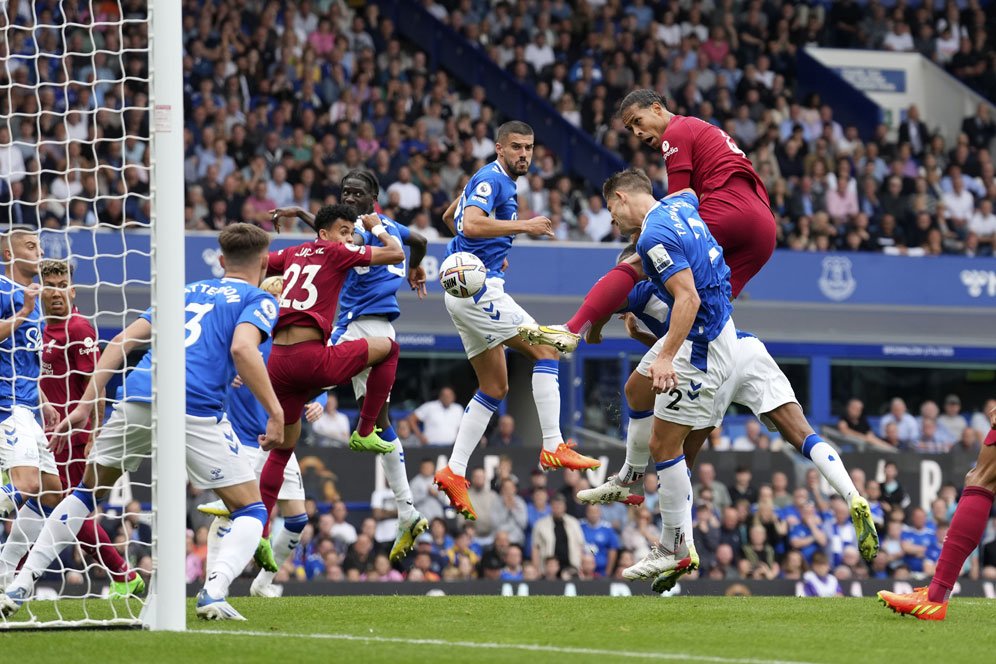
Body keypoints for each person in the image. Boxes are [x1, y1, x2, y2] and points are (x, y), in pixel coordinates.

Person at [1, 224, 283, 621]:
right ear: (266, 261)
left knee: (85, 493)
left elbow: (120, 343)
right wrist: (275, 410)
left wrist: (85, 404)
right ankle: (214, 591)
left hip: (136, 395)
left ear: (221, 262)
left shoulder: (183, 291)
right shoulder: (258, 298)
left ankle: (20, 582)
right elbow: (242, 348)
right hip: (193, 406)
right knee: (251, 509)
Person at [517, 88, 775, 350]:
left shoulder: (675, 131)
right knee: (711, 311)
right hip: (763, 228)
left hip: (730, 206)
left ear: (656, 108)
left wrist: (643, 236)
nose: (637, 133)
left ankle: (572, 329)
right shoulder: (698, 128)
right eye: (630, 130)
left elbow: (676, 209)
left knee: (640, 261)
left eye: (637, 122)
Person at [433, 120, 600, 521]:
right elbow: (470, 223)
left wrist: (493, 246)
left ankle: (454, 471)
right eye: (516, 147)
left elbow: (449, 219)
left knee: (495, 385)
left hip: (464, 289)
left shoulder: (486, 179)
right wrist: (522, 226)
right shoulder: (494, 181)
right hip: (480, 291)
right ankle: (554, 444)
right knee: (546, 349)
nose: (524, 154)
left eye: (529, 147)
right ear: (499, 148)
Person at [286, 168, 430, 562]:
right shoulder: (388, 225)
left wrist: (304, 217)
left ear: (374, 196)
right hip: (381, 333)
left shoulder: (363, 233)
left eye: (357, 193)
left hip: (356, 329)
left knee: (288, 381)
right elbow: (418, 239)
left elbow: (337, 239)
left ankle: (245, 471)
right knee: (382, 425)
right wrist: (417, 266)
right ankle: (407, 510)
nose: (350, 198)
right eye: (345, 192)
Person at [257, 204, 406, 540]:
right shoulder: (338, 252)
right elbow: (396, 253)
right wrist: (377, 227)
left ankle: (260, 533)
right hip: (311, 359)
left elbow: (261, 262)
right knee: (389, 347)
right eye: (343, 230)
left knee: (282, 449)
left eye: (351, 231)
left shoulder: (294, 252)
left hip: (278, 361)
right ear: (324, 233)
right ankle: (365, 430)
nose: (349, 237)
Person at [15, 259, 140, 595]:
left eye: (61, 284)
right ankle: (16, 571)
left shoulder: (79, 328)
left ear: (71, 289)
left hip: (72, 436)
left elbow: (95, 385)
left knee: (63, 505)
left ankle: (124, 574)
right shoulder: (37, 328)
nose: (56, 292)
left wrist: (94, 434)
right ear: (39, 289)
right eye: (50, 284)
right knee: (49, 504)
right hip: (43, 432)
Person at [196, 275, 314, 598]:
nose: (277, 301)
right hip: (245, 441)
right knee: (231, 513)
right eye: (271, 294)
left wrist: (316, 402)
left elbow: (307, 379)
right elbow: (226, 360)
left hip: (279, 444)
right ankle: (212, 583)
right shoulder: (246, 337)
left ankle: (263, 583)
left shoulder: (290, 341)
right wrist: (232, 373)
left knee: (297, 519)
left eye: (281, 295)